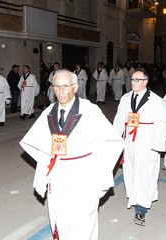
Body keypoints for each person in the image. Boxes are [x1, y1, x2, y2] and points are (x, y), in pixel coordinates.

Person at [19, 70, 124, 240]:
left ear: (75, 87)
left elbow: (112, 142)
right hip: (58, 177)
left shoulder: (90, 111)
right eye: (56, 86)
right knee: (60, 219)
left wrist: (99, 173)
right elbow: (35, 144)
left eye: (65, 86)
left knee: (83, 222)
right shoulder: (49, 112)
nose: (60, 90)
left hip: (83, 177)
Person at [113, 68, 166, 226]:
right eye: (132, 79)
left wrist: (155, 143)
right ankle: (134, 196)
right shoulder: (125, 98)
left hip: (146, 143)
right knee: (131, 171)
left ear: (145, 82)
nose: (133, 82)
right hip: (129, 142)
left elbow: (165, 124)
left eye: (137, 80)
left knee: (145, 174)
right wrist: (114, 140)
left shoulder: (156, 100)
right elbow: (119, 120)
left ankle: (141, 208)